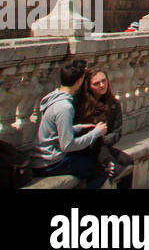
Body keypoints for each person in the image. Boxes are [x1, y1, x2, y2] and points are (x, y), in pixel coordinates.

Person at [31, 59, 108, 188]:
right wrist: (96, 133)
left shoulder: (54, 97)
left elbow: (54, 130)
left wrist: (78, 128)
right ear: (79, 81)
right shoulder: (65, 107)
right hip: (50, 163)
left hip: (42, 159)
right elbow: (67, 145)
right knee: (101, 169)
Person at [73, 69, 134, 188]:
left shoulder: (113, 104)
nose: (102, 85)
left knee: (127, 161)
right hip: (83, 146)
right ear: (88, 86)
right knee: (94, 137)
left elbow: (116, 132)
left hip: (103, 146)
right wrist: (95, 135)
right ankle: (112, 167)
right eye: (96, 83)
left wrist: (103, 139)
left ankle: (114, 168)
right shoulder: (80, 105)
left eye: (104, 81)